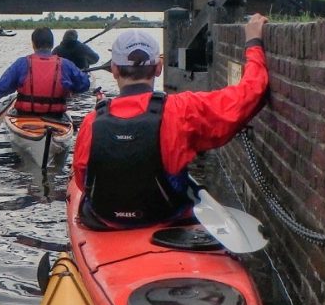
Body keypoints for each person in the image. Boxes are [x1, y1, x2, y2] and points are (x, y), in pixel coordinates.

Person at [72, 16, 268, 229]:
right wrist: (253, 43)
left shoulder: (91, 121)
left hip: (106, 221)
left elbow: (83, 181)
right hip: (166, 217)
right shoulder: (182, 109)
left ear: (115, 70)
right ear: (158, 68)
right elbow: (250, 94)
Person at [0, 27, 91, 115]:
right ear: (52, 44)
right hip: (56, 118)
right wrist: (70, 88)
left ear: (33, 44)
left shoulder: (22, 63)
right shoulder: (65, 64)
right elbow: (85, 84)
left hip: (25, 116)